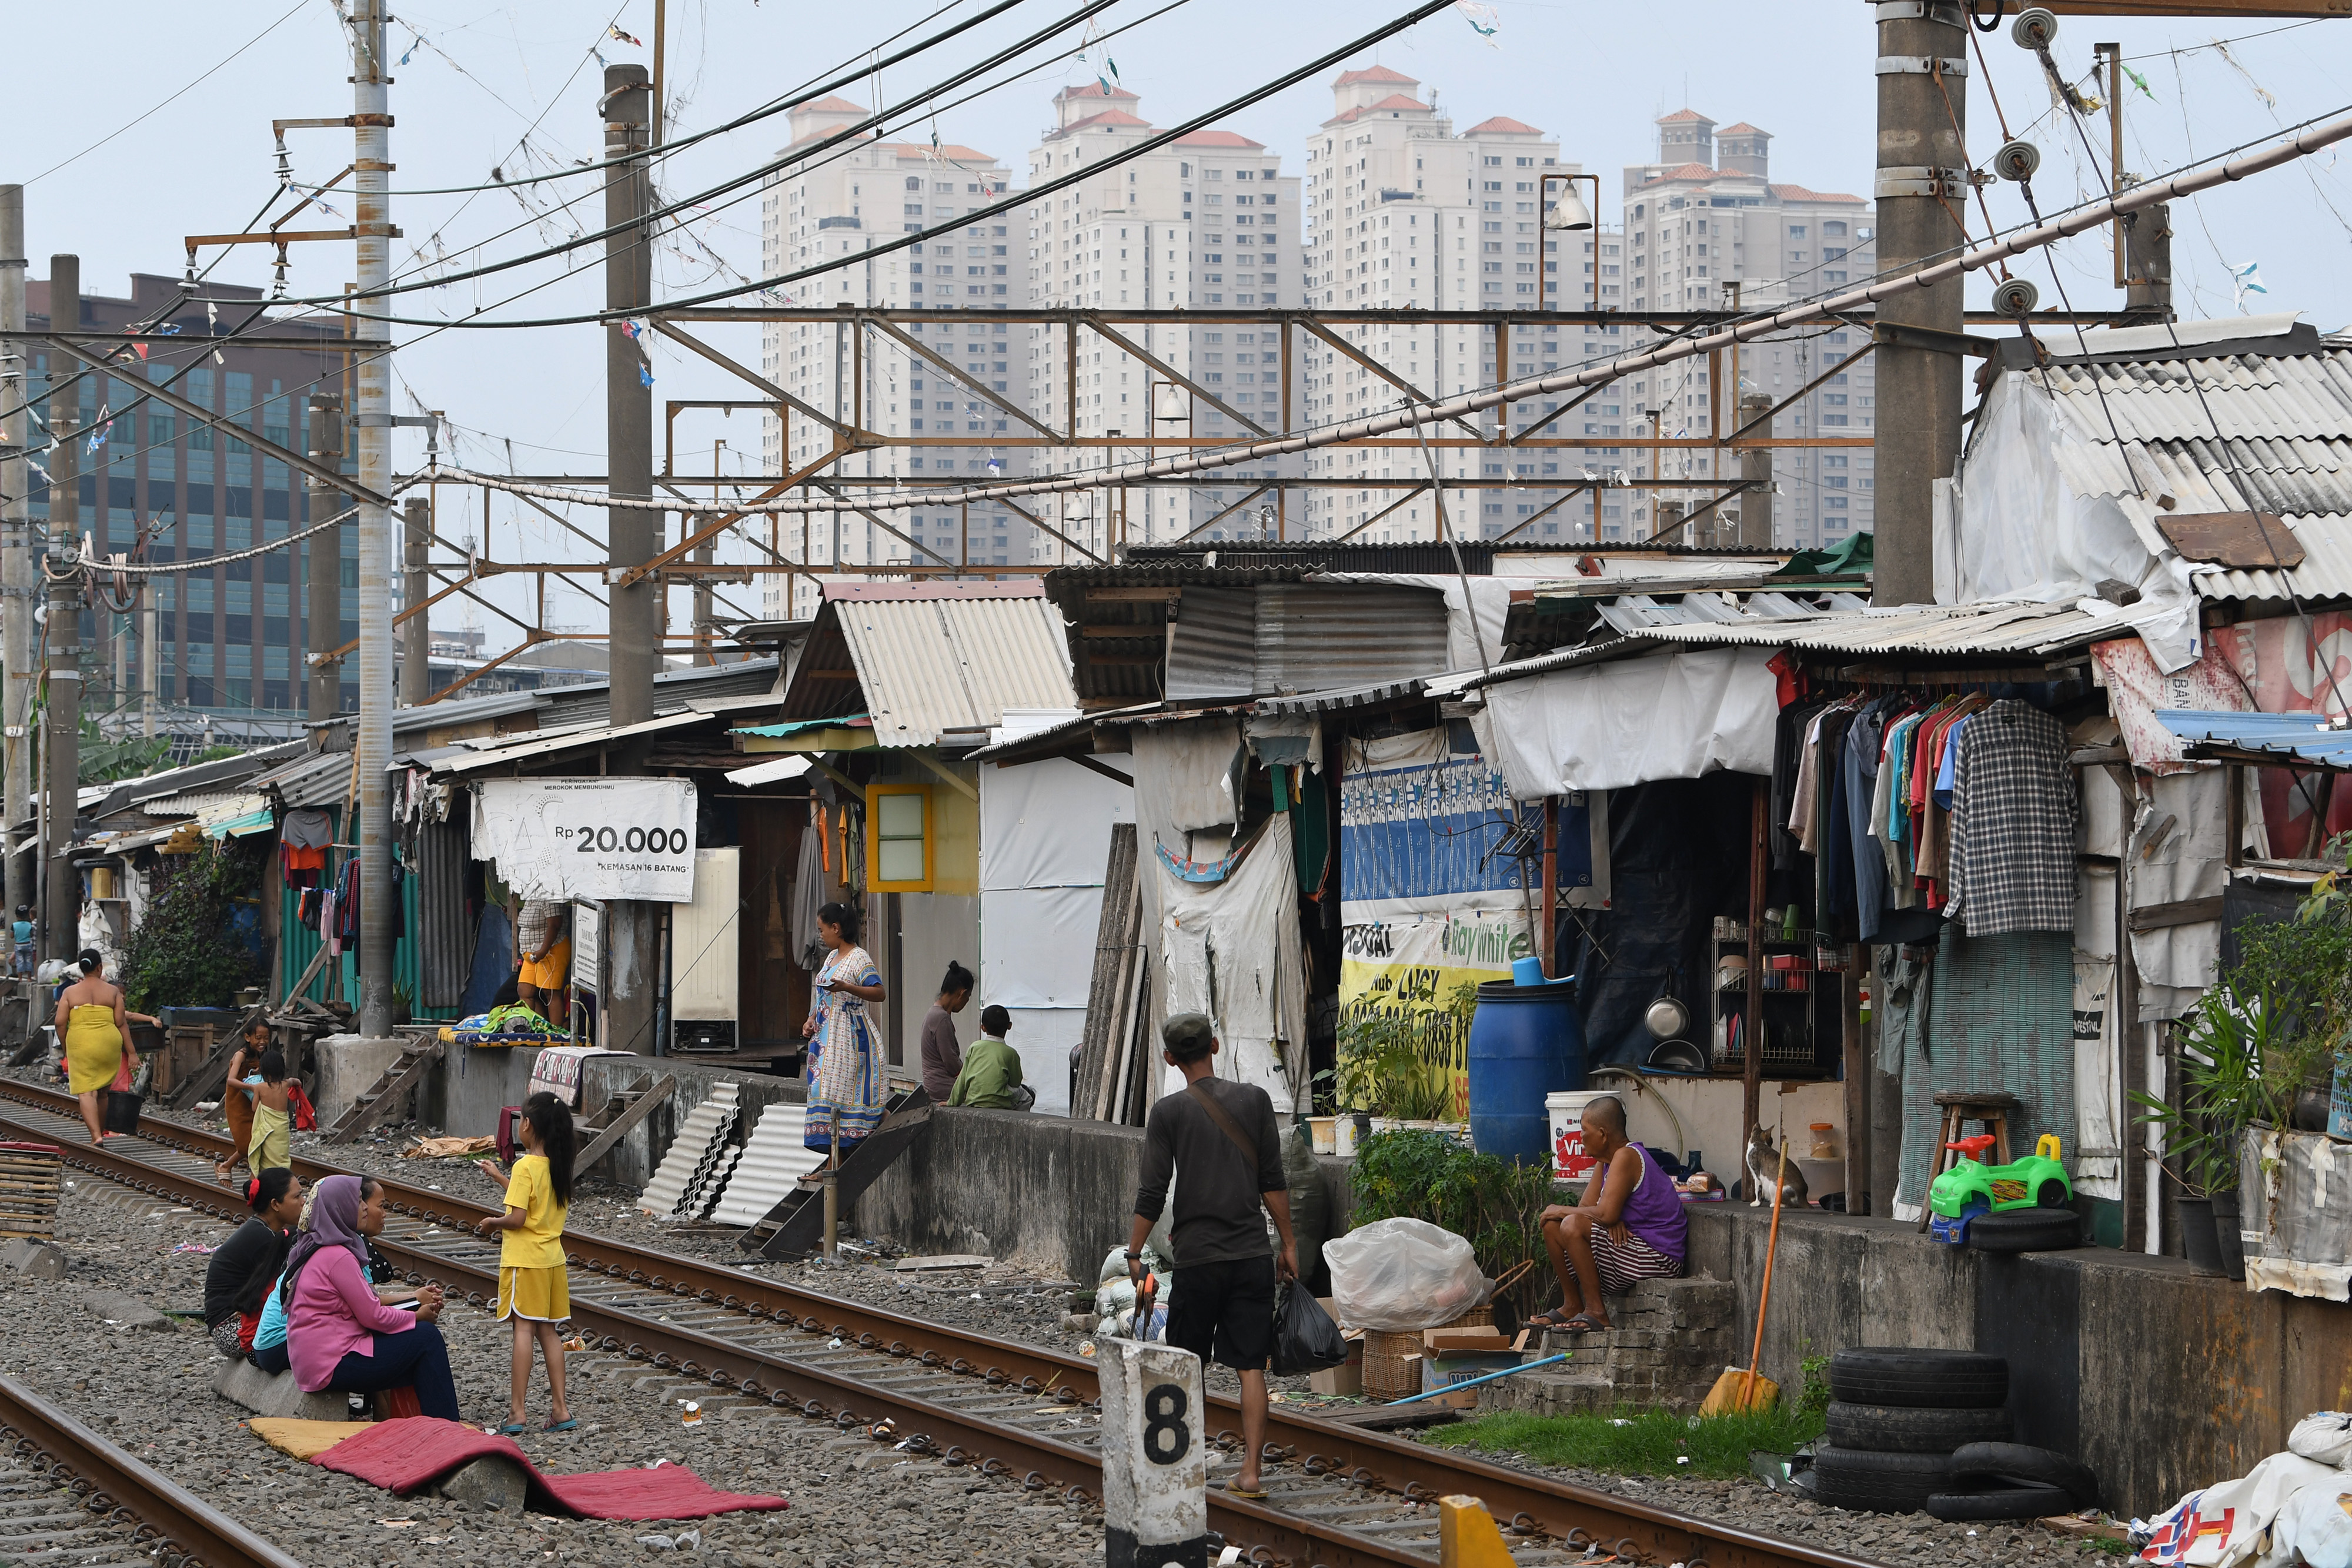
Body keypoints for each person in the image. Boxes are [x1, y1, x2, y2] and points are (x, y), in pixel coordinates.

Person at [1128, 1013, 1297, 1502]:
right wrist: (1288, 1245)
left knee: (1186, 1364)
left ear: (1169, 1057)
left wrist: (1134, 1251)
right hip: (1250, 1256)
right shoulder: (1256, 1100)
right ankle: (1250, 1472)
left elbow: (1152, 1192)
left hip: (1199, 1260)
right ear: (1215, 1046)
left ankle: (1183, 1466)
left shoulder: (1168, 1112)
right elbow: (1274, 1182)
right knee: (1250, 1366)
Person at [286, 1175, 455, 1419]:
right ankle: (447, 1427)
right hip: (331, 1363)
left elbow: (367, 1306)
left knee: (416, 1351)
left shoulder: (319, 1247)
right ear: (339, 1208)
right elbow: (372, 1316)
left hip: (315, 1361)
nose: (365, 1206)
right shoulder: (338, 1257)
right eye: (357, 1202)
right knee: (427, 1339)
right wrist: (418, 1316)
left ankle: (418, 1425)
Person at [1531, 1095, 1688, 1332]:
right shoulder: (1606, 1162)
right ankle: (1573, 1304)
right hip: (1630, 1245)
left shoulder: (1627, 1156)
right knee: (1553, 1225)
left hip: (1659, 1257)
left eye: (1585, 1131)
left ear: (1603, 1135)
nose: (1581, 1137)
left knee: (1569, 1223)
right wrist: (1605, 1217)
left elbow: (1601, 1214)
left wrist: (1598, 1215)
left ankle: (1597, 1312)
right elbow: (1590, 1210)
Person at [475, 1091, 576, 1434]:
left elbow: (518, 1219)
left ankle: (517, 1412)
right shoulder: (558, 1167)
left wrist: (492, 1223)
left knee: (523, 1329)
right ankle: (561, 1410)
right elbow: (534, 1205)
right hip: (552, 1262)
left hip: (526, 1261)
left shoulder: (524, 1166)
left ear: (529, 1125)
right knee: (549, 1331)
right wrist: (500, 1178)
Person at [801, 901, 886, 1154]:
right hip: (826, 1037)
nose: (821, 935)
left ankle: (835, 1159)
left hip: (847, 1036)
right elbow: (823, 996)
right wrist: (811, 1018)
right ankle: (832, 1158)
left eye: (822, 929)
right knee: (823, 1089)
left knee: (837, 1092)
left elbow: (879, 992)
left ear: (836, 928)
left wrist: (848, 987)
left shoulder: (859, 958)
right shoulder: (831, 957)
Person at [203, 1169, 303, 1360]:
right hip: (230, 1328)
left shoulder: (262, 1229)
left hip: (234, 1321)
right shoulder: (263, 1238)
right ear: (275, 1204)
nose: (303, 1201)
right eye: (297, 1196)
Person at [56, 950, 132, 1145]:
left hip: (81, 1044)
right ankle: (102, 1129)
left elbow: (60, 1023)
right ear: (100, 968)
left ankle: (96, 1136)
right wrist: (132, 1053)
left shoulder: (69, 993)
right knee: (103, 1093)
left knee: (86, 1092)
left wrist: (66, 1047)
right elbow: (121, 1023)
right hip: (108, 1044)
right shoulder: (113, 991)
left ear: (81, 969)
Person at [215, 1017, 273, 1180]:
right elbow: (231, 1080)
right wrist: (252, 1087)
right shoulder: (241, 1055)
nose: (263, 1042)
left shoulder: (263, 1056)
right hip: (238, 1102)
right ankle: (227, 1166)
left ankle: (252, 1178)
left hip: (255, 1103)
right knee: (246, 1144)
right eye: (258, 1038)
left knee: (258, 1143)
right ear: (248, 1038)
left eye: (266, 1038)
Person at [947, 1005, 1026, 1110]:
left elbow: (962, 1078)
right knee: (1026, 1096)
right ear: (1009, 1026)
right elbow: (1016, 1082)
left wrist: (952, 1102)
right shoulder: (1011, 1053)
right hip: (999, 1103)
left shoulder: (974, 1047)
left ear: (983, 1027)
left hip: (974, 1100)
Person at [230, 1049, 293, 1175]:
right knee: (281, 1154)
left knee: (267, 1157)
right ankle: (283, 1174)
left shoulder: (259, 1087)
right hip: (282, 1129)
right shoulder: (286, 1084)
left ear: (263, 1070)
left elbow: (255, 1108)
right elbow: (294, 1081)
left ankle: (264, 1178)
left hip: (268, 1129)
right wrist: (297, 1082)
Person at [919, 960, 974, 1102]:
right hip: (943, 1088)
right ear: (962, 994)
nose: (966, 1002)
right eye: (968, 998)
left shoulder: (934, 1013)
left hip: (935, 1085)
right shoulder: (941, 1018)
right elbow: (951, 1063)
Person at [514, 898, 570, 1020]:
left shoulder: (551, 897)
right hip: (532, 955)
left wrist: (543, 951)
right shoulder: (531, 897)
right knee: (525, 991)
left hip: (551, 950)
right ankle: (538, 1027)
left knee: (550, 993)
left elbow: (555, 925)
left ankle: (556, 1033)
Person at [11, 907, 31, 977]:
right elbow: (31, 934)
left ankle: (20, 978)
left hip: (19, 945)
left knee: (20, 962)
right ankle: (29, 978)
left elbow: (11, 936)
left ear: (17, 915)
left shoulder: (14, 925)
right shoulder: (29, 924)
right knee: (29, 961)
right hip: (28, 944)